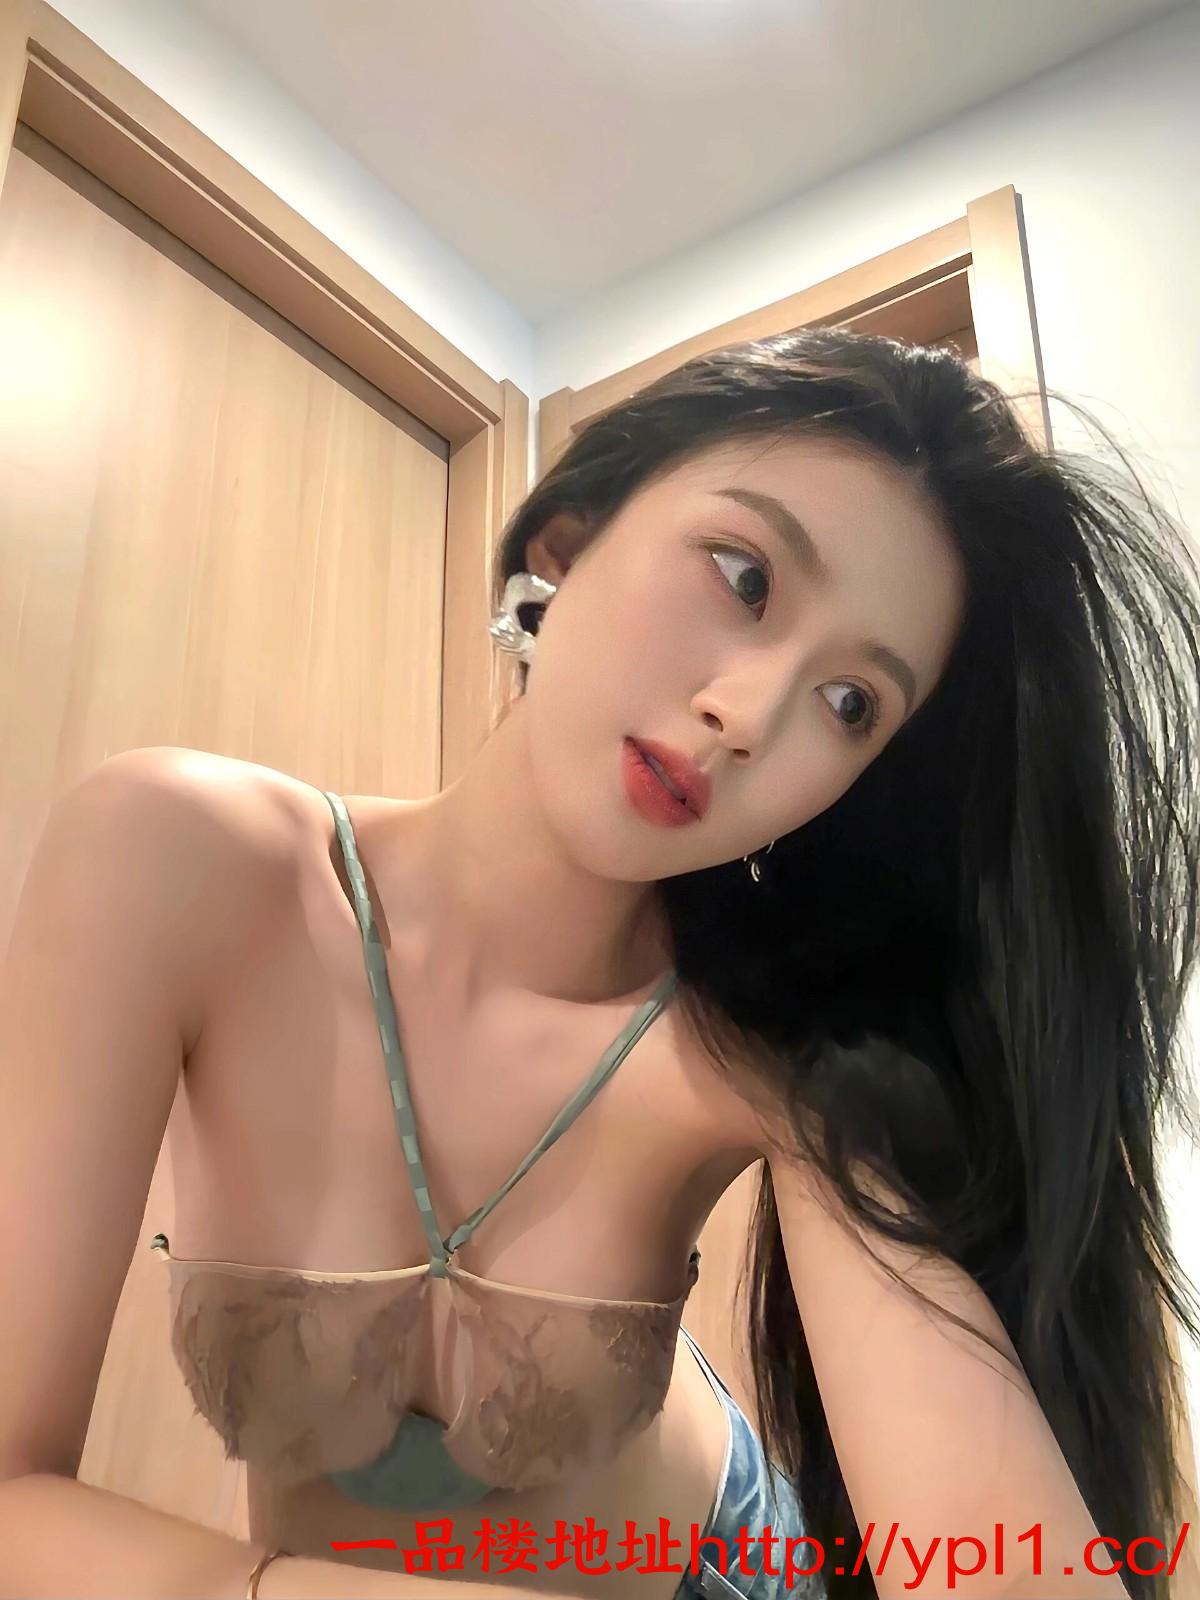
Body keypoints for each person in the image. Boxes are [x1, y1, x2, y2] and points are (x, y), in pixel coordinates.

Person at [1, 327, 1197, 1600]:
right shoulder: (181, 861)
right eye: (744, 575)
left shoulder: (764, 1050)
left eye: (853, 703)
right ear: (566, 541)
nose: (749, 715)